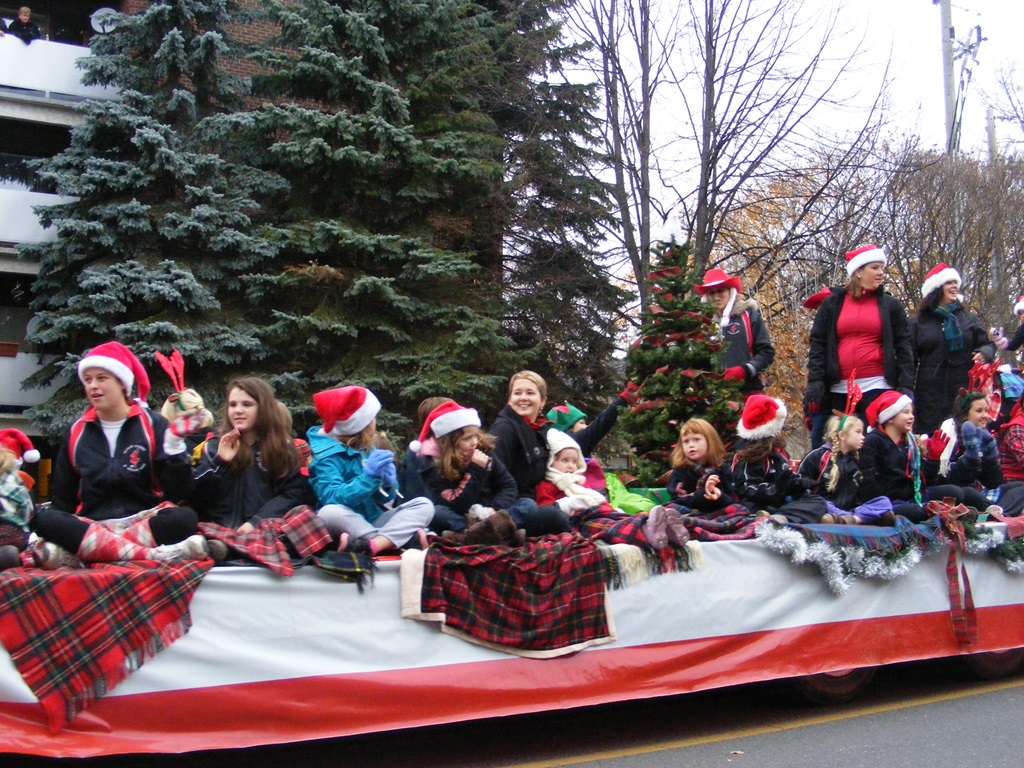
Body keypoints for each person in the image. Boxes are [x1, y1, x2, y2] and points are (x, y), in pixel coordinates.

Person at [30, 341, 208, 566]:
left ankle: (86, 555)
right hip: (91, 525)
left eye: (102, 378)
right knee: (44, 518)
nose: (93, 386)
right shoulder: (75, 431)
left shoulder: (153, 425)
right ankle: (153, 554)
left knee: (185, 518)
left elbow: (179, 492)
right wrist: (55, 526)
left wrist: (174, 449)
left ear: (123, 384)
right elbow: (62, 498)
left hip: (142, 523)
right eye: (88, 380)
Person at [307, 385, 433, 554]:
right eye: (373, 417)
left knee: (424, 505)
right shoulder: (325, 456)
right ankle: (392, 542)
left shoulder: (368, 448)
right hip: (346, 524)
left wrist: (388, 485)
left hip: (373, 521)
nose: (375, 421)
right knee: (328, 512)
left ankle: (373, 545)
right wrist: (369, 478)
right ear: (361, 423)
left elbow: (383, 500)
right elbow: (332, 498)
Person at [805, 244, 914, 428]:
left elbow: (904, 346)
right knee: (842, 446)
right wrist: (815, 380)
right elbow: (818, 344)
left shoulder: (890, 305)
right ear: (858, 271)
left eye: (882, 268)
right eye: (875, 267)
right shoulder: (832, 304)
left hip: (878, 386)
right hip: (839, 389)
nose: (881, 272)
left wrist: (905, 384)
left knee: (870, 446)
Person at [192, 378, 315, 530]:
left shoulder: (282, 448)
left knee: (308, 519)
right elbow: (194, 494)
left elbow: (291, 494)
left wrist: (255, 522)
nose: (238, 410)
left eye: (247, 404)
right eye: (232, 405)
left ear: (263, 408)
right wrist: (219, 462)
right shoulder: (213, 445)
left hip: (263, 527)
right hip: (215, 527)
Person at [409, 400, 532, 535]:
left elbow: (508, 486)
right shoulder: (433, 466)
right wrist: (476, 469)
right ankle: (497, 533)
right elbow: (458, 505)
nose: (474, 442)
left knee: (528, 504)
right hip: (462, 517)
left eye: (475, 436)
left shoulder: (483, 451)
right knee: (437, 513)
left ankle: (478, 534)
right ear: (449, 443)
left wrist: (493, 510)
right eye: (467, 439)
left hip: (491, 512)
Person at [859, 390, 973, 523]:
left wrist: (933, 458)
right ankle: (946, 513)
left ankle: (942, 512)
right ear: (890, 418)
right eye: (906, 412)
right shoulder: (873, 441)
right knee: (916, 511)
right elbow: (867, 481)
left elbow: (927, 482)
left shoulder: (911, 442)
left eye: (912, 412)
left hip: (914, 497)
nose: (912, 416)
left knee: (956, 492)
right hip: (888, 502)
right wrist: (883, 504)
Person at [488, 371, 579, 535]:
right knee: (555, 517)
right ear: (510, 399)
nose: (523, 398)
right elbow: (492, 479)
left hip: (534, 501)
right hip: (511, 508)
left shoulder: (540, 430)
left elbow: (579, 442)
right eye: (517, 393)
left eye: (530, 393)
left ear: (542, 401)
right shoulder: (505, 429)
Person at [910, 263, 996, 434]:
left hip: (962, 388)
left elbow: (987, 344)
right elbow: (909, 359)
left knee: (963, 435)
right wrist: (907, 392)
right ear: (936, 288)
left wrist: (984, 353)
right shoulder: (918, 322)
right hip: (929, 392)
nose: (954, 286)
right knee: (933, 438)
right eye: (948, 282)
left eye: (955, 282)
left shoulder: (969, 319)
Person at [924, 390, 1024, 517]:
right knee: (969, 493)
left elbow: (993, 483)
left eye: (986, 411)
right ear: (965, 415)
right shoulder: (950, 434)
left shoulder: (984, 436)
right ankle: (994, 514)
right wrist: (970, 458)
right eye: (979, 411)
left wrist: (991, 458)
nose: (985, 415)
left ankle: (996, 514)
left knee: (1020, 487)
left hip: (982, 492)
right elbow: (948, 479)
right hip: (955, 492)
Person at [730, 395, 825, 524]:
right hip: (757, 503)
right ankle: (777, 517)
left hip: (779, 503)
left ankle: (780, 517)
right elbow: (747, 489)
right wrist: (776, 489)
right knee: (748, 508)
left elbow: (787, 479)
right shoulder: (749, 455)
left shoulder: (780, 452)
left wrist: (798, 484)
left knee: (817, 501)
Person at [797, 413, 894, 525]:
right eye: (858, 432)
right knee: (820, 503)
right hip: (824, 507)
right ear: (842, 435)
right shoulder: (817, 456)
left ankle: (852, 520)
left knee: (884, 501)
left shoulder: (856, 461)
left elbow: (862, 497)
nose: (863, 437)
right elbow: (801, 489)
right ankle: (857, 519)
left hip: (849, 511)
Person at [694, 268, 775, 397]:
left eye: (720, 290)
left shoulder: (749, 316)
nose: (716, 296)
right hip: (714, 398)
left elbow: (767, 353)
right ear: (706, 297)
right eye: (712, 292)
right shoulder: (703, 325)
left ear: (730, 292)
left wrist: (745, 370)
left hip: (748, 393)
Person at [665, 418, 741, 517]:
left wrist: (718, 495)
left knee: (738, 509)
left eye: (696, 439)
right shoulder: (680, 470)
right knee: (671, 509)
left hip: (716, 512)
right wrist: (704, 492)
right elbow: (677, 499)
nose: (691, 445)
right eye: (686, 441)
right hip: (689, 512)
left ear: (710, 442)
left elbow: (732, 498)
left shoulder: (721, 468)